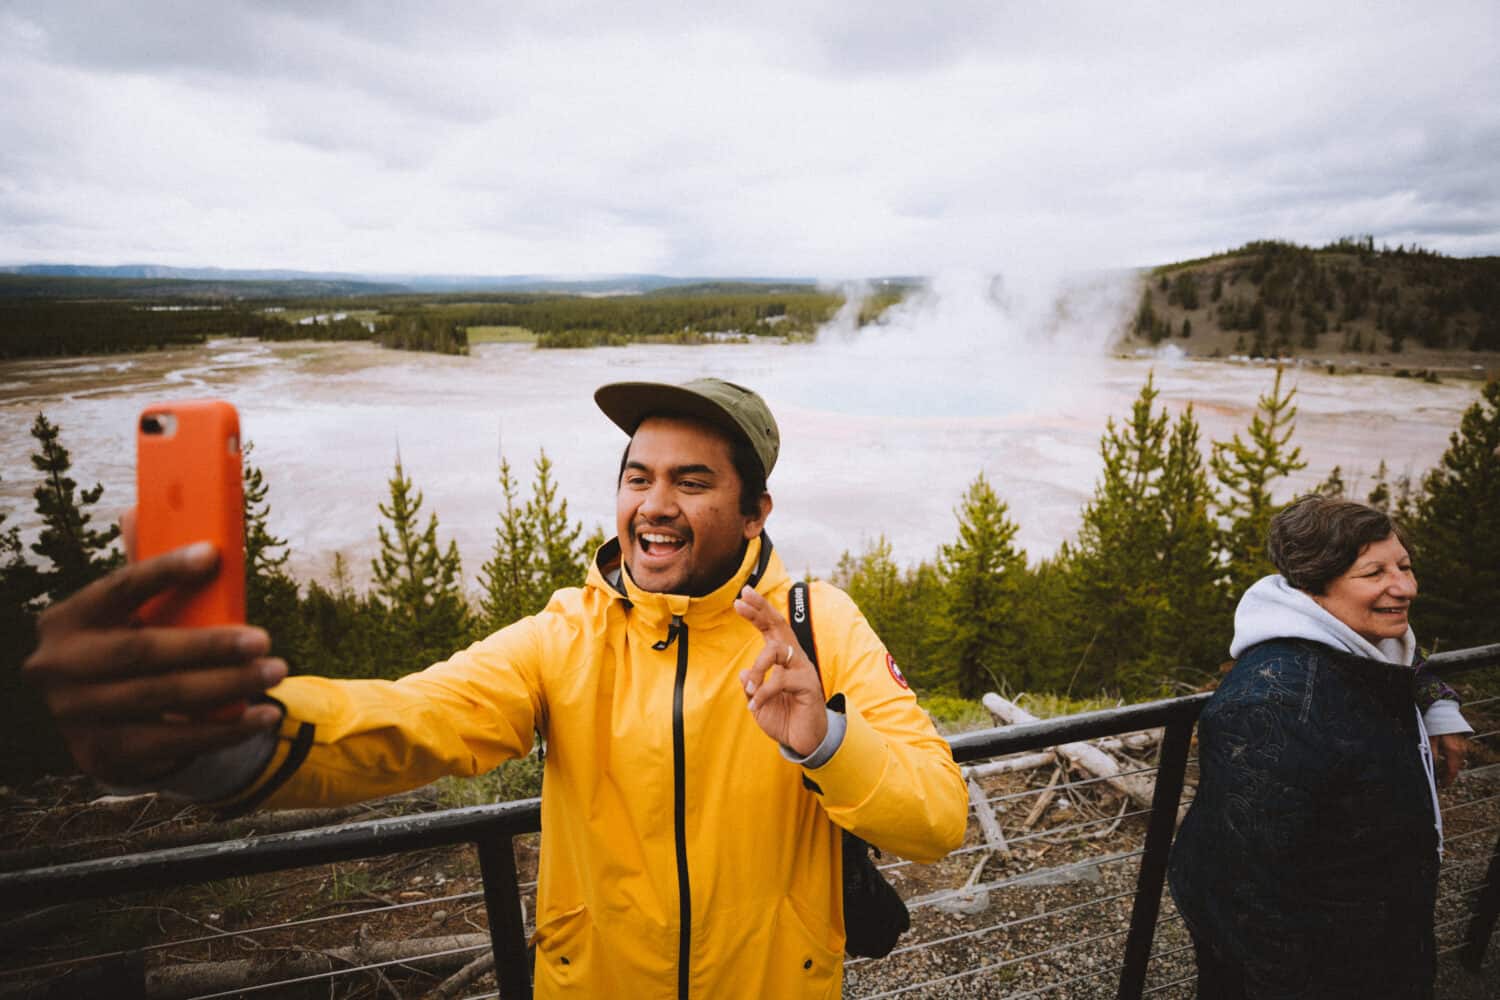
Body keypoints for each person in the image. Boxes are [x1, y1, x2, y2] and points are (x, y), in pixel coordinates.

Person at [24, 377, 969, 998]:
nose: (655, 506)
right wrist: (234, 740)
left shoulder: (817, 628)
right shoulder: (569, 635)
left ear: (756, 510)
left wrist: (824, 742)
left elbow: (935, 820)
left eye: (692, 482)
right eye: (637, 477)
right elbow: (420, 717)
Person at [1168, 495, 1472, 999]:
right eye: (1374, 573)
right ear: (1314, 585)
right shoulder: (1271, 706)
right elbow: (1244, 895)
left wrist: (1437, 703)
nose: (1405, 586)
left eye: (1404, 566)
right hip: (1319, 967)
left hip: (1378, 936)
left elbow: (1406, 660)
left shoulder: (1365, 640)